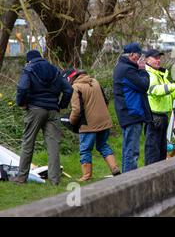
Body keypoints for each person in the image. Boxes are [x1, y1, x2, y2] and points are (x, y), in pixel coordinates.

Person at [14, 50, 73, 185]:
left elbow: (22, 88)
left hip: (35, 109)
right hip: (53, 111)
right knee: (53, 146)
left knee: (28, 143)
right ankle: (54, 180)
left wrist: (21, 103)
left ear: (29, 60)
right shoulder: (55, 70)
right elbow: (69, 89)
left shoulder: (29, 69)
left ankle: (21, 178)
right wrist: (60, 105)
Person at [63, 68, 120, 181]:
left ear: (69, 78)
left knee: (85, 149)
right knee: (103, 145)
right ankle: (115, 169)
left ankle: (86, 176)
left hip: (88, 124)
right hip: (104, 121)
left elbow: (76, 110)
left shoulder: (76, 87)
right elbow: (106, 101)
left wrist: (71, 122)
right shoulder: (95, 81)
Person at [113, 42, 152, 173]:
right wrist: (142, 70)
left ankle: (126, 177)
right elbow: (144, 85)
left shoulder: (121, 67)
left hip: (127, 112)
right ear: (132, 55)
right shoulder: (128, 70)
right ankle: (130, 179)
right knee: (132, 151)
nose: (140, 59)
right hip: (132, 113)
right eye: (139, 55)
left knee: (127, 149)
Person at [144, 48, 175, 164]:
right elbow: (155, 90)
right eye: (155, 58)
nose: (158, 60)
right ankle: (149, 175)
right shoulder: (149, 75)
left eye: (159, 58)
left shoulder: (161, 75)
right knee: (153, 151)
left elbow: (170, 94)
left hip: (163, 117)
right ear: (147, 59)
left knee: (162, 150)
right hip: (154, 117)